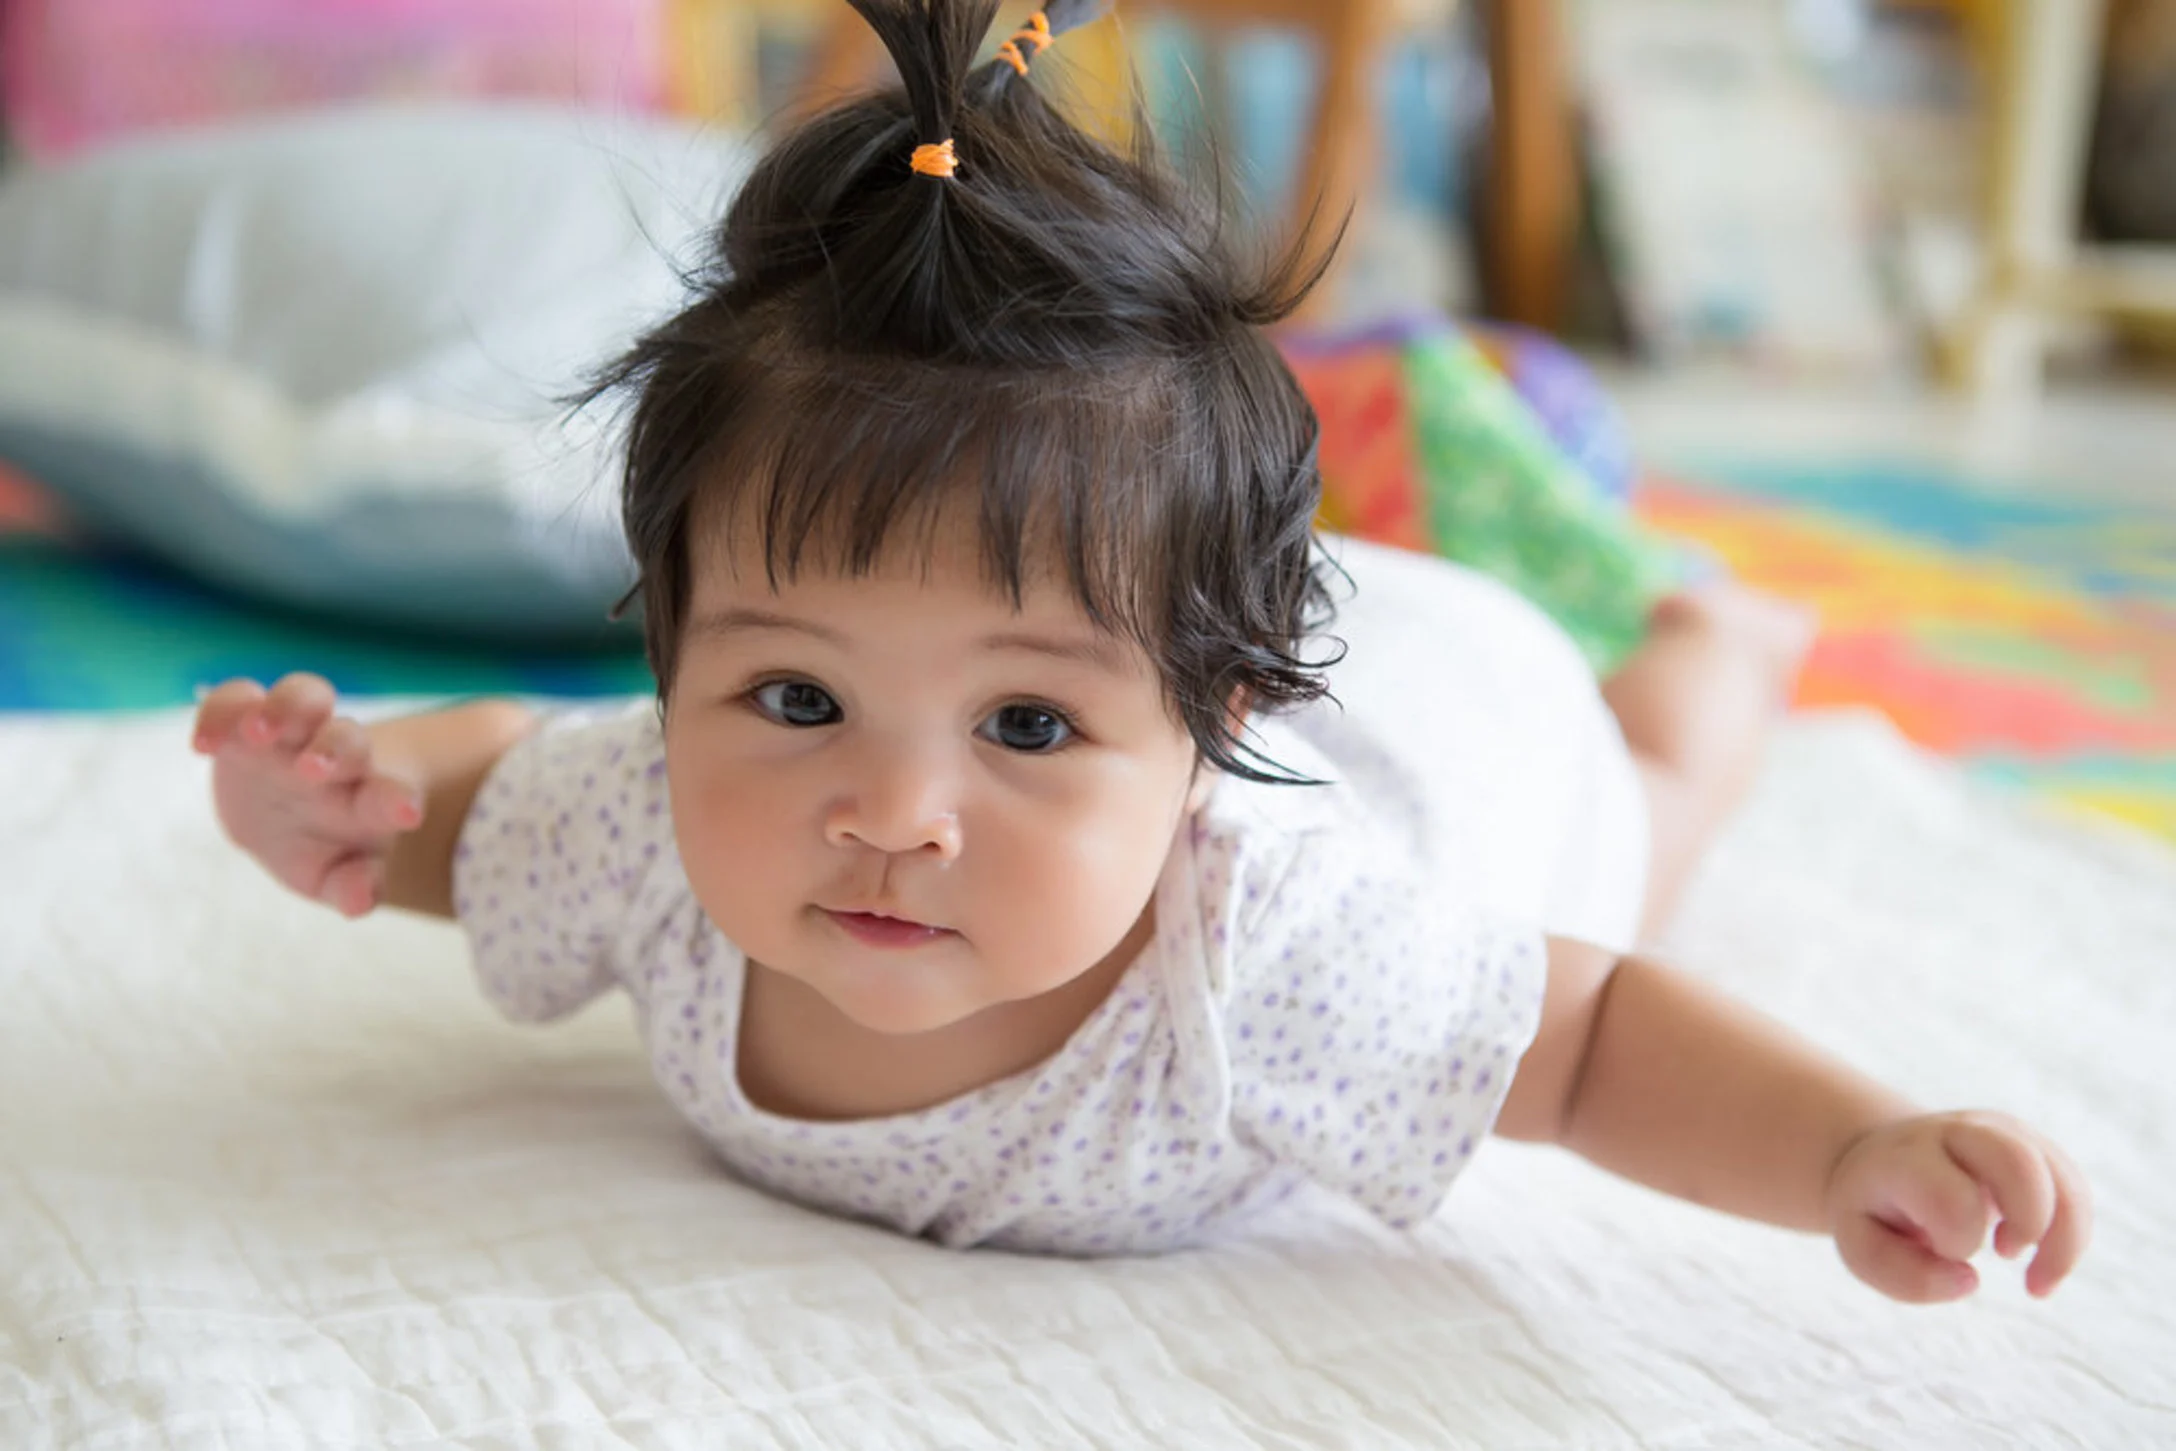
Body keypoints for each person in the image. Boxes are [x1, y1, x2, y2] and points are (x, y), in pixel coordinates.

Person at [193, 0, 2088, 1297]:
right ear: (668, 657)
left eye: (1023, 720)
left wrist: (1853, 1147)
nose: (890, 810)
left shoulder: (1268, 950)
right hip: (1244, 634)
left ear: (1203, 734)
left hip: (1459, 734)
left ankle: (1712, 635)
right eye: (794, 694)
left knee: (1651, 813)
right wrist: (356, 800)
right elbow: (486, 788)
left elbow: (1589, 1044)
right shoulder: (651, 828)